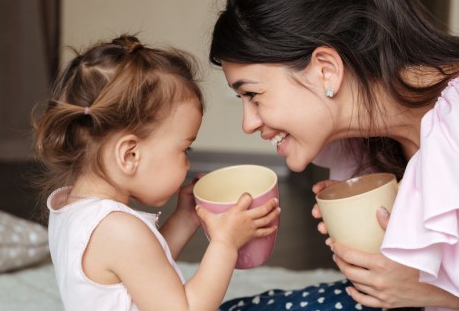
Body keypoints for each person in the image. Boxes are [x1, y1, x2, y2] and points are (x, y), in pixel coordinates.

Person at [209, 0, 459, 310]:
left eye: (253, 95)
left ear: (326, 70)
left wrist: (441, 288)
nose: (248, 123)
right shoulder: (379, 134)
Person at [31, 35, 281, 311]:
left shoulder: (72, 208)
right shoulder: (119, 230)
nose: (187, 164)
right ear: (130, 155)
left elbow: (146, 276)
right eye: (185, 149)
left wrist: (185, 219)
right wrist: (225, 243)